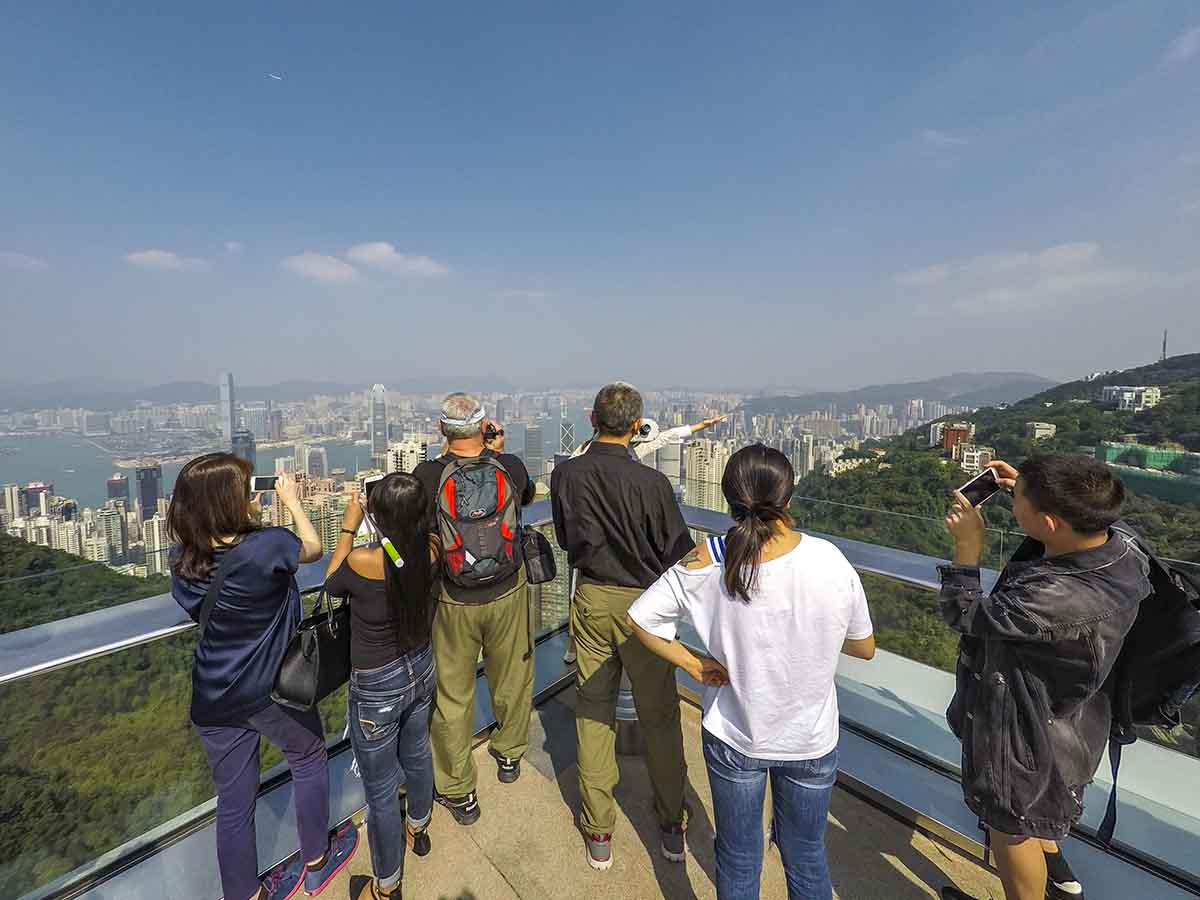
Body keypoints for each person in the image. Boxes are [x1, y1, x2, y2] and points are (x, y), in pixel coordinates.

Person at [629, 444, 876, 900]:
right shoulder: (829, 559)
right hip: (810, 739)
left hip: (735, 734)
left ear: (729, 497)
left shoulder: (708, 559)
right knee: (806, 856)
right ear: (788, 497)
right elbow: (864, 647)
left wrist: (693, 663)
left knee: (740, 860)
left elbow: (642, 619)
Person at [939, 456, 1150, 900]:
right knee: (1034, 814)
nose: (1014, 502)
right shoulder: (1125, 549)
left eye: (1019, 501)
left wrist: (967, 549)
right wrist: (1035, 488)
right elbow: (1078, 524)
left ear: (1052, 523)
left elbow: (966, 614)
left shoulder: (1050, 597)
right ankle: (1063, 886)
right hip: (1075, 719)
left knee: (1010, 826)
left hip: (1024, 733)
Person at [168, 454, 359, 900]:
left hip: (212, 695)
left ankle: (245, 894)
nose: (252, 493)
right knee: (309, 755)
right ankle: (316, 863)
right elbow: (312, 550)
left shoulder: (182, 559)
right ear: (228, 501)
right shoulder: (267, 545)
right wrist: (291, 501)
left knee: (233, 805)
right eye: (244, 489)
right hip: (270, 691)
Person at [550, 382, 694, 871]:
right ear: (637, 426)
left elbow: (568, 537)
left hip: (591, 597)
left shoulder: (565, 475)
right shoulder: (653, 485)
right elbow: (681, 555)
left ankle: (598, 831)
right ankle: (672, 825)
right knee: (660, 715)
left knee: (593, 712)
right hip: (648, 605)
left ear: (592, 419)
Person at [413, 393, 536, 827]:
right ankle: (509, 756)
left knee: (452, 693)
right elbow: (527, 496)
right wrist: (497, 452)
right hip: (507, 590)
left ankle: (458, 790)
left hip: (451, 598)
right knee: (512, 677)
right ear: (486, 427)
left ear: (441, 430)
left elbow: (414, 530)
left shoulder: (426, 476)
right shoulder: (512, 466)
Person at [324, 473, 439, 899]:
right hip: (421, 666)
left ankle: (387, 885)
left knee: (381, 790)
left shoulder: (364, 562)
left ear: (378, 515)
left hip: (377, 684)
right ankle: (420, 828)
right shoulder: (431, 548)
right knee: (417, 752)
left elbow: (331, 581)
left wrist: (349, 527)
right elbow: (402, 561)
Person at [562, 413, 727, 665]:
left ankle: (578, 646)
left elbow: (665, 438)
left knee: (583, 594)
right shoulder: (582, 455)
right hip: (618, 552)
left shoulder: (619, 454)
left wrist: (697, 427)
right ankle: (574, 644)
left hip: (598, 546)